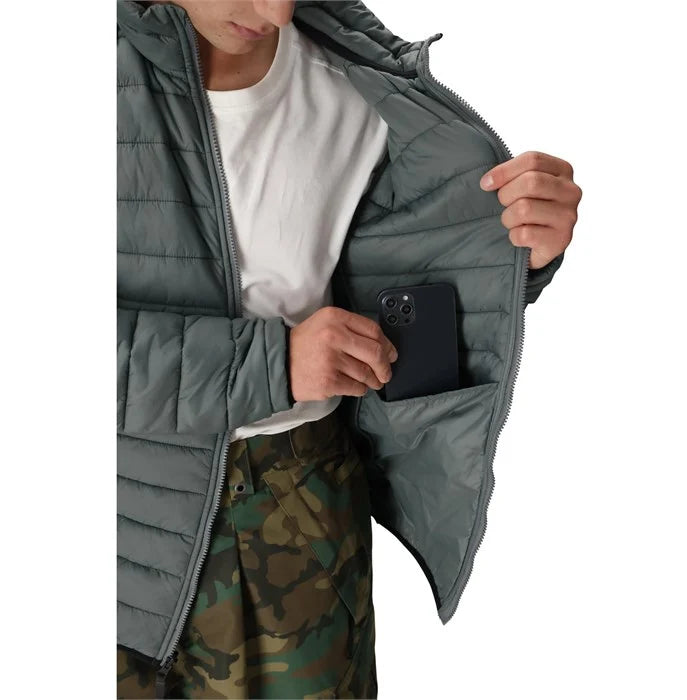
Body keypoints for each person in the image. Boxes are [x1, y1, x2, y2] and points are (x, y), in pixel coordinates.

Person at [116, 1, 580, 698]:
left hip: (298, 506)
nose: (274, 11)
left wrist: (515, 251)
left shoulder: (359, 86)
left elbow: (405, 282)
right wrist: (272, 363)